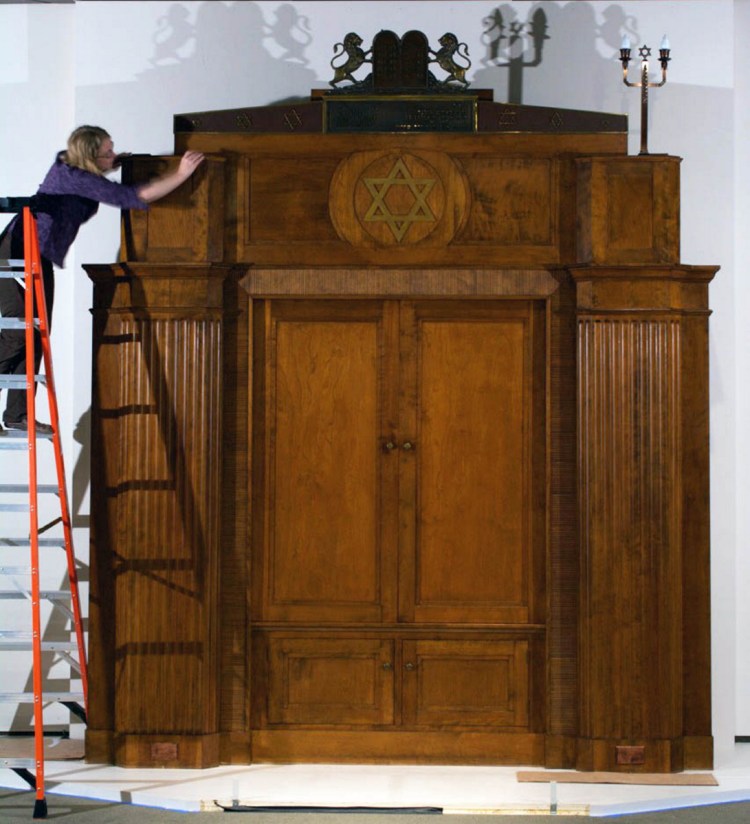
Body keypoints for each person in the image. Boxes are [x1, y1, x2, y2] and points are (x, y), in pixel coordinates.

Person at [0, 125, 204, 433]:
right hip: (18, 252)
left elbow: (99, 181)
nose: (113, 154)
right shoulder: (77, 177)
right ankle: (16, 413)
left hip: (38, 258)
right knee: (19, 334)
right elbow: (133, 197)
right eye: (107, 152)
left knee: (38, 334)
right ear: (90, 156)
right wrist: (182, 174)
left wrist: (116, 161)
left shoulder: (77, 171)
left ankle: (17, 415)